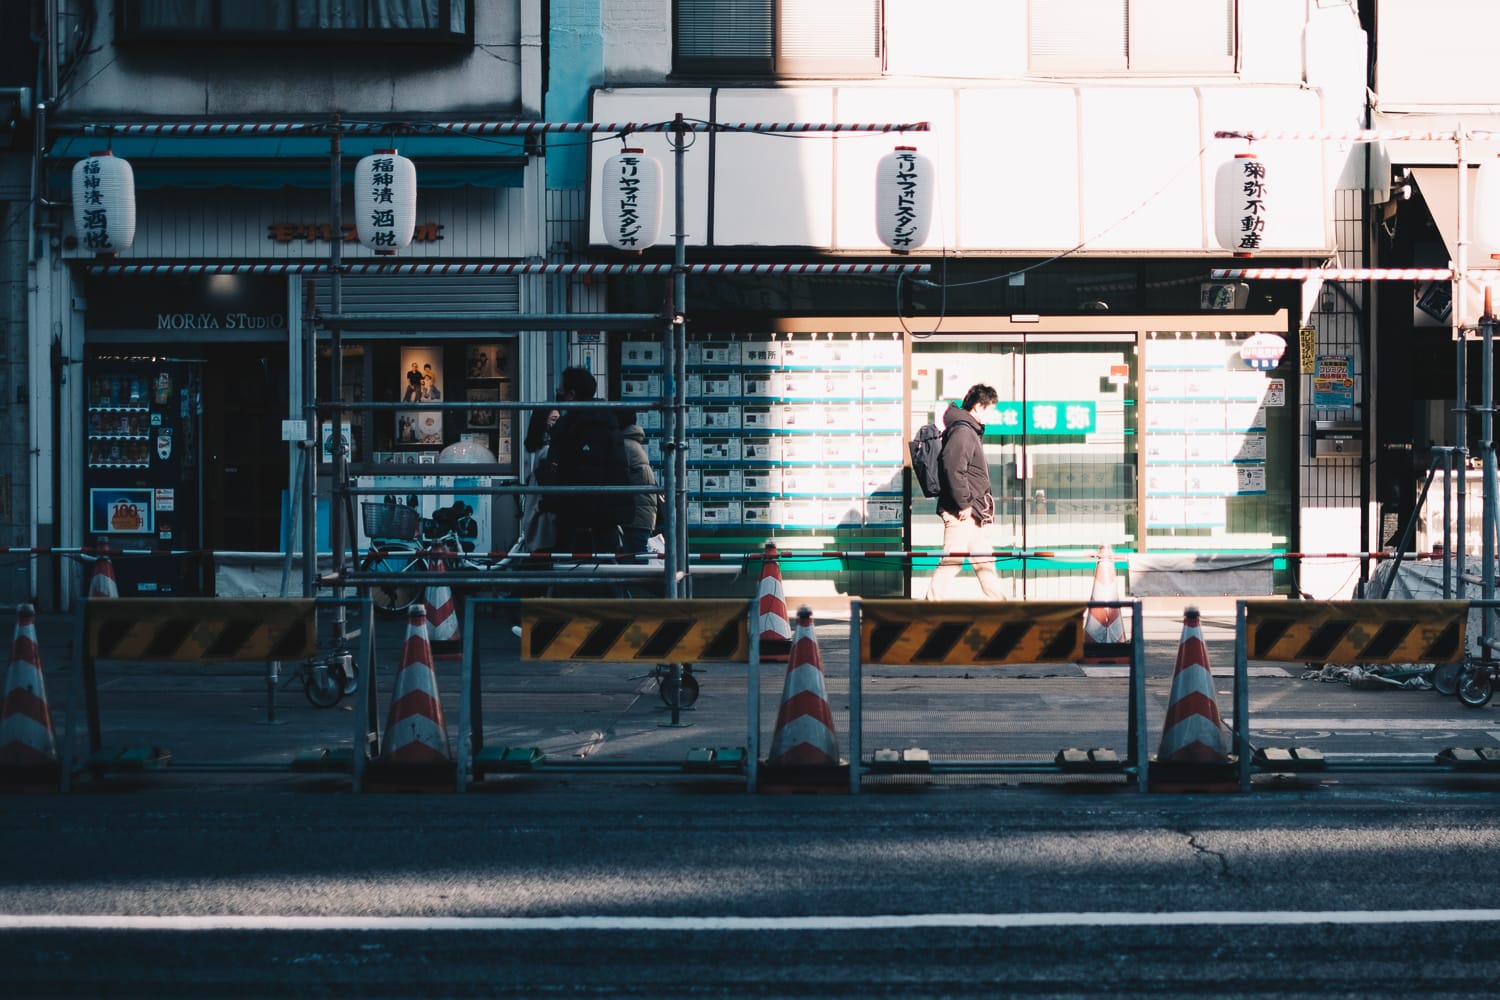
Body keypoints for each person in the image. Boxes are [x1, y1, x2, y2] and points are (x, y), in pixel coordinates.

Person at [926, 383, 1007, 601]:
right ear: (979, 407)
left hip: (970, 512)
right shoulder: (963, 431)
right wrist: (964, 504)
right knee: (952, 561)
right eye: (991, 408)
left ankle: (1002, 606)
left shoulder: (966, 429)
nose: (992, 414)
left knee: (985, 561)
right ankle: (930, 607)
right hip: (960, 511)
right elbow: (952, 468)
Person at [541, 367, 630, 553]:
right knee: (606, 572)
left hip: (575, 522)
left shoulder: (570, 428)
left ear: (571, 395)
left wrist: (551, 496)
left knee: (571, 573)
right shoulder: (609, 424)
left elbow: (567, 473)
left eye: (561, 391)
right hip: (606, 521)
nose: (558, 394)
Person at [616, 408, 658, 555]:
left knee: (634, 562)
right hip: (641, 515)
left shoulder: (624, 445)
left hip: (635, 516)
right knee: (636, 560)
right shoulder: (633, 444)